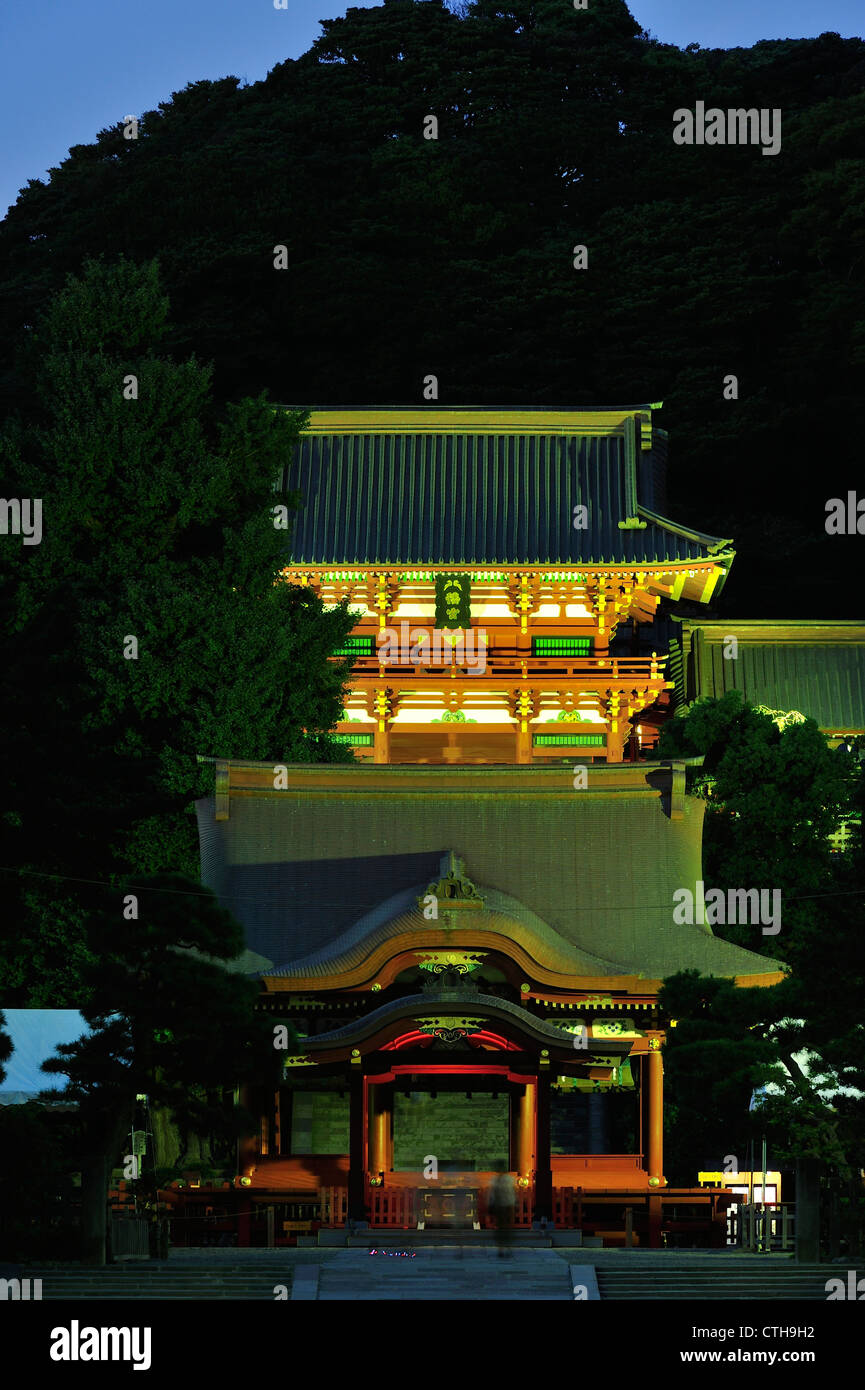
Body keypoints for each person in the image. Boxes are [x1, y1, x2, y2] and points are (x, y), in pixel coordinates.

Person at [487, 1165, 517, 1257]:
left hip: (501, 1205)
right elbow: (512, 1193)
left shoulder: (496, 1180)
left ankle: (502, 1248)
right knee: (505, 1227)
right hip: (506, 1205)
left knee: (501, 1228)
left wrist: (491, 1203)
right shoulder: (509, 1179)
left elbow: (492, 1193)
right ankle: (505, 1248)